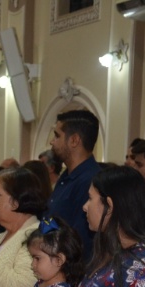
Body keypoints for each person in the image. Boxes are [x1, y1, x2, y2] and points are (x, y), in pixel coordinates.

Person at [47, 109, 102, 259]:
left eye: (57, 135)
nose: (52, 142)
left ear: (74, 140)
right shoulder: (67, 176)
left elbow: (78, 240)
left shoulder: (91, 181)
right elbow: (50, 220)